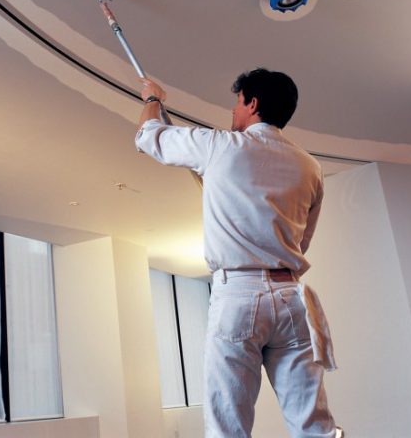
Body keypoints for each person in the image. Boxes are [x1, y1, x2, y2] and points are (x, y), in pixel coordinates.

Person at [135, 68, 341, 438]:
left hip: (239, 295)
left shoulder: (220, 146)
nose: (233, 112)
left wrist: (152, 98)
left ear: (252, 103)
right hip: (292, 297)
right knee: (313, 426)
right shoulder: (311, 167)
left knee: (228, 426)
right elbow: (302, 241)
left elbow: (148, 137)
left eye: (236, 102)